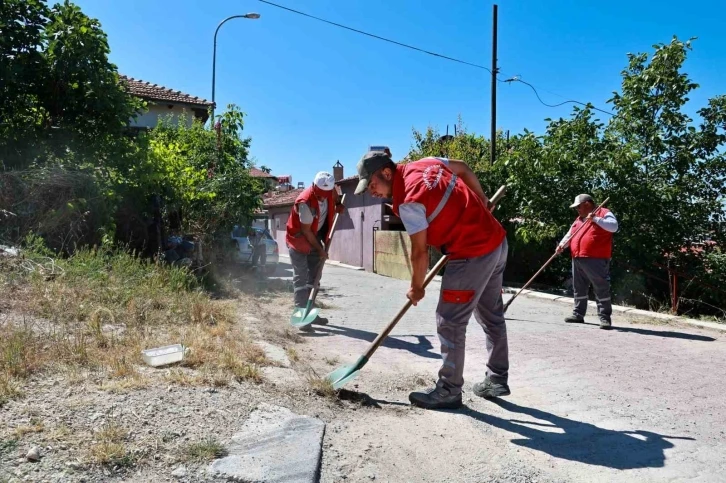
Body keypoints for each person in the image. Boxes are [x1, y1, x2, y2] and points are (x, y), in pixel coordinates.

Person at [354, 150, 510, 410]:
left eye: (372, 185)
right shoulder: (426, 164)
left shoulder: (409, 201)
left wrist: (416, 287)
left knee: (449, 321)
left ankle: (448, 390)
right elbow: (464, 167)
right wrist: (482, 198)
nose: (372, 192)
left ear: (386, 173)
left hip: (470, 253)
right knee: (491, 315)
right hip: (496, 242)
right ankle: (496, 378)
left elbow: (419, 250)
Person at [286, 171, 345, 329]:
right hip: (299, 240)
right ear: (314, 186)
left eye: (324, 195)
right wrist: (320, 250)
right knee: (301, 279)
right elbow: (306, 231)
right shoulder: (304, 202)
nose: (321, 198)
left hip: (315, 237)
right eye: (319, 195)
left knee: (314, 278)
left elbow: (333, 192)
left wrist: (338, 203)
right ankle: (301, 318)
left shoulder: (328, 190)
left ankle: (310, 312)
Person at [556, 194, 618, 330]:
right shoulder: (579, 219)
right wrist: (562, 245)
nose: (577, 209)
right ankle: (578, 314)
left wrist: (595, 219)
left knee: (601, 288)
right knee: (579, 288)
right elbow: (570, 234)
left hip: (596, 259)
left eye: (578, 206)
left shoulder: (603, 212)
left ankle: (605, 318)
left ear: (588, 204)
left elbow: (613, 227)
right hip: (577, 257)